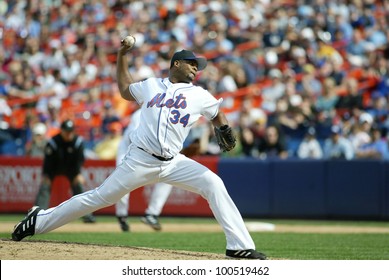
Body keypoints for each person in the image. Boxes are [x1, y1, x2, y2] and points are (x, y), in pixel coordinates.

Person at [12, 45, 267, 260]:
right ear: (176, 63)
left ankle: (239, 246)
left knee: (213, 183)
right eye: (191, 63)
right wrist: (122, 56)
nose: (195, 68)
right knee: (99, 197)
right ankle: (39, 220)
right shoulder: (151, 86)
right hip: (140, 160)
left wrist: (222, 127)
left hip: (174, 162)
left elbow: (217, 113)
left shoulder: (200, 95)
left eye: (197, 66)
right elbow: (125, 90)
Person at [115, 109, 173, 232]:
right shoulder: (141, 112)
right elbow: (132, 137)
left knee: (168, 177)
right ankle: (122, 215)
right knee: (121, 182)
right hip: (128, 151)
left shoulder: (166, 113)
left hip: (151, 154)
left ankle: (152, 214)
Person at [33, 119, 96, 223]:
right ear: (61, 130)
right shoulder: (53, 142)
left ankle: (87, 215)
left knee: (78, 184)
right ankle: (35, 215)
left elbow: (80, 160)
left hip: (71, 168)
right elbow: (48, 161)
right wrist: (47, 175)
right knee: (45, 185)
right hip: (54, 167)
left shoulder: (77, 142)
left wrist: (78, 173)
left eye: (71, 131)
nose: (69, 134)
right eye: (67, 131)